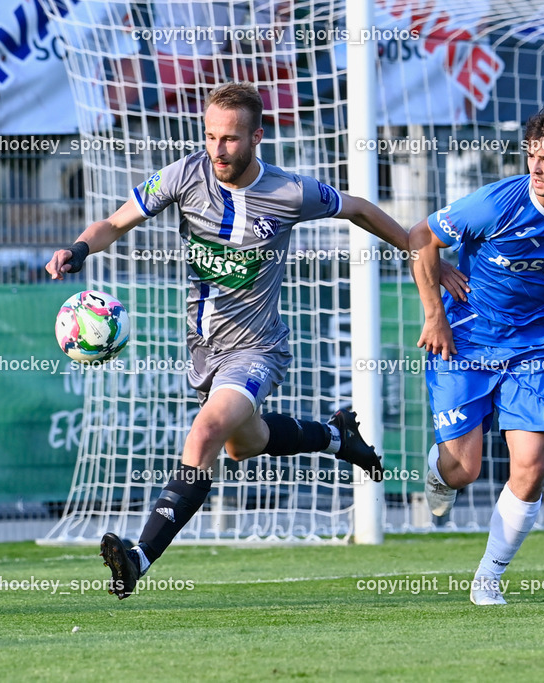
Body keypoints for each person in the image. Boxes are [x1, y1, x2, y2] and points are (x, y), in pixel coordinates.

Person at [45, 81, 464, 599]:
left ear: (257, 137)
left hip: (257, 349)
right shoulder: (184, 175)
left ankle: (139, 556)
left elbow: (357, 208)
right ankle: (337, 436)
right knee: (248, 444)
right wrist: (79, 249)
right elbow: (114, 221)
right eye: (211, 137)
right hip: (205, 350)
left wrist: (421, 254)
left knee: (204, 437)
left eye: (230, 140)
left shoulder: (289, 192)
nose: (218, 150)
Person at [410, 105, 544, 605]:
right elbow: (421, 238)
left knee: (532, 463)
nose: (536, 168)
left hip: (531, 351)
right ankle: (440, 471)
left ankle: (487, 579)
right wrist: (434, 314)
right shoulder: (496, 202)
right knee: (465, 470)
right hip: (461, 340)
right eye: (531, 156)